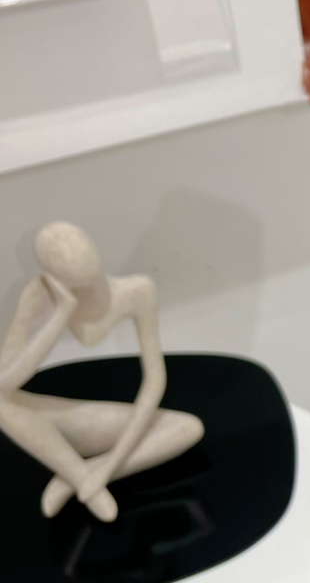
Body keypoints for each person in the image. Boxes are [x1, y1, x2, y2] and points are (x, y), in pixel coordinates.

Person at [0, 222, 203, 522]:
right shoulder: (38, 295)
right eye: (59, 256)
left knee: (189, 428)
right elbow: (4, 384)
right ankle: (81, 477)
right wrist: (60, 315)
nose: (73, 256)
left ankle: (74, 477)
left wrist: (109, 466)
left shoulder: (137, 291)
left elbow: (154, 380)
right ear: (52, 274)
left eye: (77, 247)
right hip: (51, 421)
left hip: (93, 424)